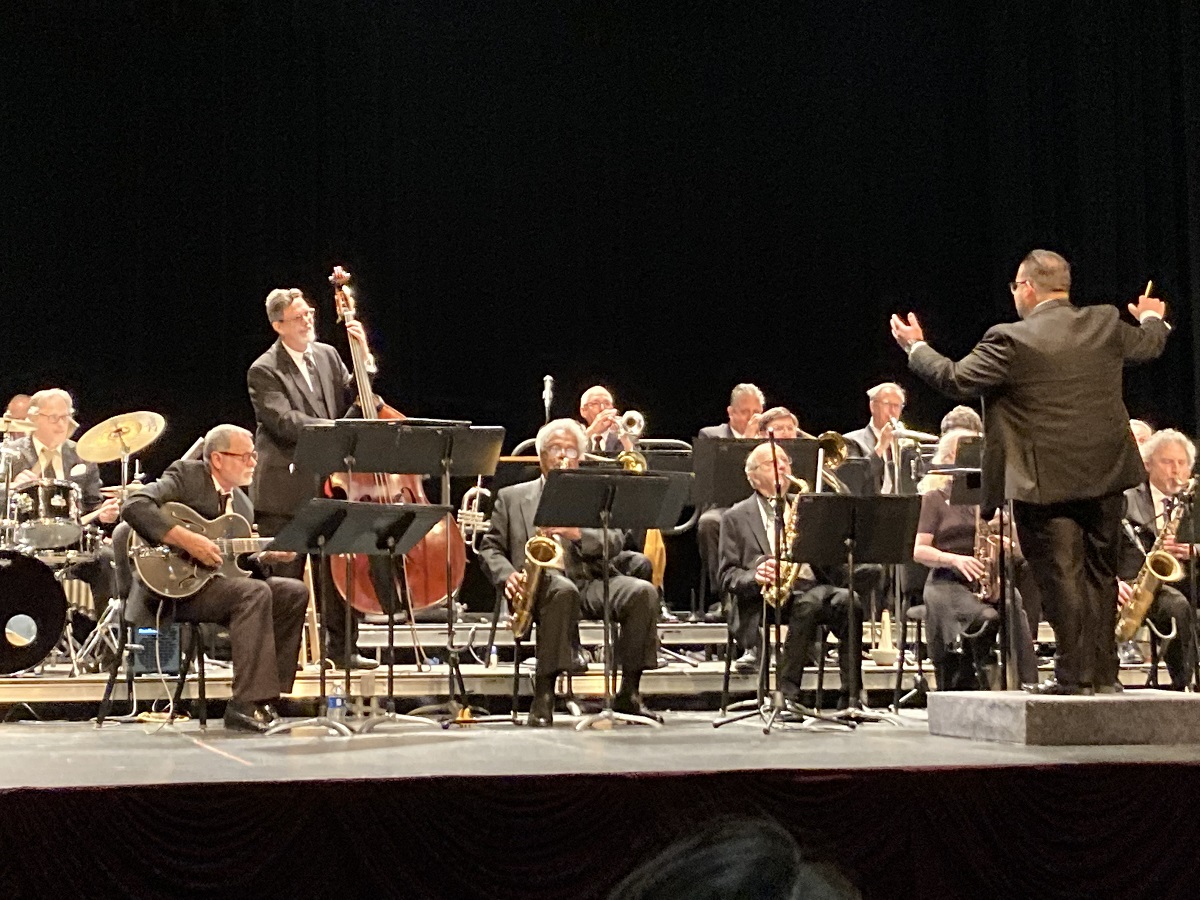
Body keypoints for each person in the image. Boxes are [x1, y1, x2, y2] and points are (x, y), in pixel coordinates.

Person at [891, 249, 1170, 695]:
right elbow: (1148, 345)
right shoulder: (1102, 322)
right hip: (1106, 474)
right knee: (1098, 575)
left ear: (1026, 287)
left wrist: (915, 347)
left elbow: (956, 379)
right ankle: (1102, 676)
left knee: (1061, 577)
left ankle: (1073, 678)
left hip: (1044, 483)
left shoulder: (1010, 340)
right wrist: (1154, 318)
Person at [121, 425, 309, 733]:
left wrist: (264, 556)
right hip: (175, 589)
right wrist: (185, 539)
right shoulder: (186, 475)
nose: (253, 462)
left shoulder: (243, 505)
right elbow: (135, 505)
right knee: (253, 593)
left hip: (219, 586)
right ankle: (244, 705)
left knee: (292, 591)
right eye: (246, 456)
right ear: (218, 459)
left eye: (254, 456)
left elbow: (236, 562)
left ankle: (268, 697)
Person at [477, 418, 661, 726]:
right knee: (563, 590)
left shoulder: (596, 495)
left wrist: (578, 534)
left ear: (581, 456)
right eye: (556, 448)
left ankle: (629, 693)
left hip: (590, 579)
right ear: (541, 456)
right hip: (538, 586)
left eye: (571, 449)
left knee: (643, 592)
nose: (564, 455)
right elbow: (489, 548)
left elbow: (616, 540)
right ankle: (544, 695)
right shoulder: (512, 496)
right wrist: (507, 575)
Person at [246, 285, 379, 670]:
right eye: (298, 317)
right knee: (286, 581)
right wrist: (336, 431)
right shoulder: (264, 369)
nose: (307, 321)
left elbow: (359, 399)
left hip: (331, 482)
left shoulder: (328, 355)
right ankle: (276, 664)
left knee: (342, 570)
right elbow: (285, 423)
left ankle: (344, 650)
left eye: (309, 314)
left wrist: (364, 358)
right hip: (286, 489)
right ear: (277, 325)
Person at [718, 441, 863, 707]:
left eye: (785, 461)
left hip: (811, 588)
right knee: (809, 603)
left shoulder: (806, 507)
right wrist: (756, 575)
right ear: (753, 477)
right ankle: (788, 693)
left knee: (849, 600)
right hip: (763, 598)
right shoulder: (735, 517)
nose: (783, 466)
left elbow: (829, 565)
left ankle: (852, 696)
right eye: (773, 463)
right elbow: (727, 576)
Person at [912, 429, 1038, 690]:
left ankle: (1029, 683)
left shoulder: (990, 500)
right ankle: (966, 675)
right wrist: (954, 560)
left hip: (986, 577)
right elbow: (919, 550)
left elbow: (1017, 549)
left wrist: (1005, 539)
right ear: (950, 459)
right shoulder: (935, 499)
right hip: (946, 581)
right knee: (987, 617)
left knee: (1013, 605)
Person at [9, 389, 119, 627]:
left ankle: (101, 646)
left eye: (66, 416)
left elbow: (92, 504)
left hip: (73, 542)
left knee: (109, 561)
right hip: (24, 543)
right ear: (34, 418)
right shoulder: (11, 455)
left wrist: (106, 514)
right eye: (53, 418)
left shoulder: (82, 455)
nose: (61, 424)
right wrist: (11, 489)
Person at [1116, 429, 1197, 689]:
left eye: (1182, 463)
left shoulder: (1194, 501)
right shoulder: (1125, 499)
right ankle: (1184, 685)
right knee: (1177, 606)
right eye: (1167, 462)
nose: (1176, 470)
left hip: (1191, 576)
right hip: (1141, 584)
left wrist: (1194, 550)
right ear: (1148, 464)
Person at [696, 384, 765, 608]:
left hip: (762, 505)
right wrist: (747, 440)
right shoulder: (711, 435)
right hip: (724, 505)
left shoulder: (769, 436)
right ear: (731, 412)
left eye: (757, 411)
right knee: (709, 522)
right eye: (746, 411)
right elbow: (713, 481)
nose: (753, 417)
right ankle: (727, 597)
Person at [842, 382, 920, 495]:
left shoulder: (908, 444)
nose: (893, 411)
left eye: (897, 406)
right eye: (888, 404)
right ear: (873, 406)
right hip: (868, 507)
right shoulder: (851, 441)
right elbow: (853, 480)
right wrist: (881, 447)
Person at [579, 385, 637, 453]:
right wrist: (592, 430)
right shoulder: (575, 435)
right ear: (583, 411)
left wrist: (624, 438)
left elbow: (639, 460)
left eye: (607, 403)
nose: (602, 408)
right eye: (595, 404)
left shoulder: (628, 436)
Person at [697, 383, 765, 440]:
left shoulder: (767, 439)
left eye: (756, 412)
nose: (751, 418)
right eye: (745, 412)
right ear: (731, 412)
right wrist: (747, 439)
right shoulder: (710, 436)